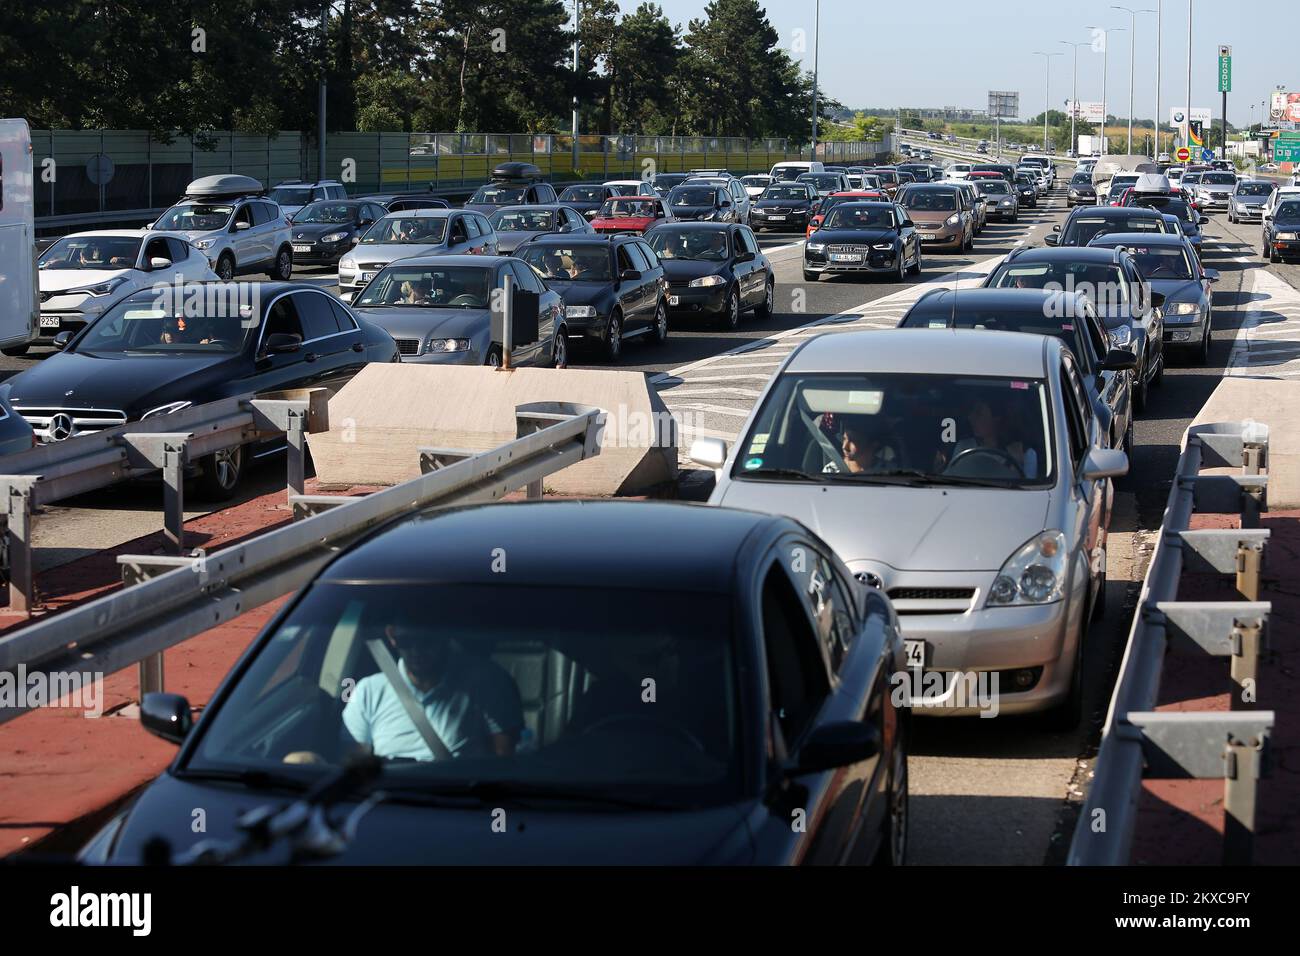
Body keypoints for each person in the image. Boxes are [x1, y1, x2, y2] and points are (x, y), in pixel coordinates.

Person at [336, 624, 524, 763]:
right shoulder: (368, 691)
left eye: (426, 641)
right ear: (392, 637)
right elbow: (354, 765)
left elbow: (503, 761)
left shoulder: (487, 682)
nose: (416, 651)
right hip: (385, 800)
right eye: (407, 642)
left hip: (462, 801)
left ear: (443, 636)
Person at [941, 396, 1037, 478]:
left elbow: (1028, 495)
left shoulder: (1027, 454)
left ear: (997, 418)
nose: (970, 417)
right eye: (972, 412)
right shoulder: (964, 447)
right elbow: (951, 481)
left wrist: (1017, 463)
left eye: (979, 413)